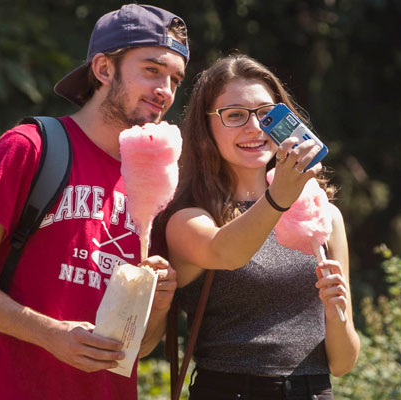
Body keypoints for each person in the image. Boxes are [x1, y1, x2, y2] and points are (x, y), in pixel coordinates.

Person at [0, 4, 188, 399]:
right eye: (152, 70)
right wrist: (50, 333)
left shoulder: (156, 186)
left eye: (175, 79)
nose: (165, 91)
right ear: (104, 70)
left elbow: (141, 347)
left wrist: (156, 305)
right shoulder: (31, 147)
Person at [160, 53, 360, 400]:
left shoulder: (325, 216)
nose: (254, 128)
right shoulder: (189, 216)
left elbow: (342, 363)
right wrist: (279, 197)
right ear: (206, 127)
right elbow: (226, 252)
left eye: (267, 115)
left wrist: (335, 313)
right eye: (234, 115)